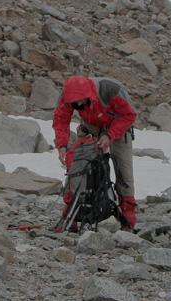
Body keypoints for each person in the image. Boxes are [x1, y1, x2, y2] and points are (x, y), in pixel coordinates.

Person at [53, 76, 138, 229]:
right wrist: (62, 145)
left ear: (90, 96)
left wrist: (110, 135)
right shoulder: (68, 94)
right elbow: (61, 120)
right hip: (91, 126)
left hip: (119, 126)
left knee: (123, 172)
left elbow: (129, 115)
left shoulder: (111, 90)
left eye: (82, 102)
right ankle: (70, 217)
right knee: (77, 166)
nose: (78, 105)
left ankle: (128, 220)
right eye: (75, 103)